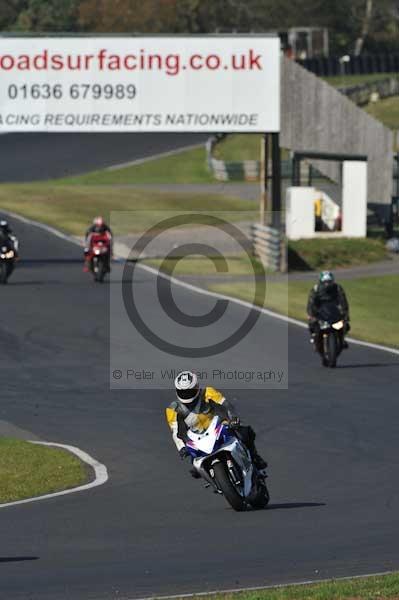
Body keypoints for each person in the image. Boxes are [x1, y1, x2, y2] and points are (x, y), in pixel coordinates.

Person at [166, 371, 268, 478]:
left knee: (246, 432)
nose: (186, 395)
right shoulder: (173, 409)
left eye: (189, 391)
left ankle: (255, 458)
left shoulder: (208, 392)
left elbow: (226, 404)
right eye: (183, 392)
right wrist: (181, 448)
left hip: (219, 425)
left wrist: (232, 418)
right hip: (197, 438)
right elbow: (175, 431)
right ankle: (213, 478)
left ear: (196, 386)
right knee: (195, 469)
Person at [307, 271, 350, 347]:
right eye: (325, 282)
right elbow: (311, 302)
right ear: (321, 282)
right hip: (320, 311)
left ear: (332, 281)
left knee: (345, 324)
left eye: (329, 282)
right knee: (312, 323)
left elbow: (343, 301)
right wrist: (311, 314)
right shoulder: (316, 289)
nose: (327, 284)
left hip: (334, 311)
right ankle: (314, 337)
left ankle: (342, 339)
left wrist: (345, 312)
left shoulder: (337, 288)